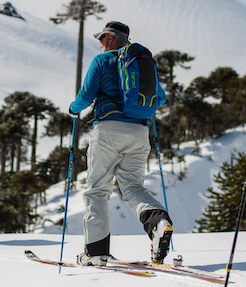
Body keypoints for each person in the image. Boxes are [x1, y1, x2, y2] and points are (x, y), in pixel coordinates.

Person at [69, 20, 173, 265]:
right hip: (139, 132)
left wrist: (74, 109)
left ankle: (95, 252)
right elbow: (161, 97)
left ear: (109, 38)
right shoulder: (140, 62)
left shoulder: (103, 61)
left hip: (108, 130)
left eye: (102, 39)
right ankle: (157, 220)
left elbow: (86, 95)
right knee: (133, 188)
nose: (101, 44)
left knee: (97, 190)